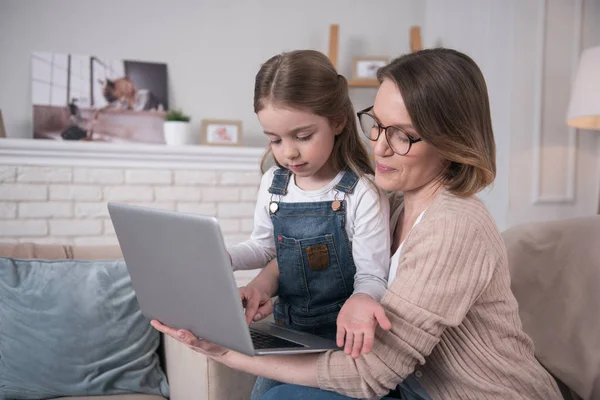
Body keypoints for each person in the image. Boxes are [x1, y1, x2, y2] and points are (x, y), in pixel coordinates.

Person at [153, 48, 563, 400]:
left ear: (451, 139)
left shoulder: (454, 225)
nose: (379, 145)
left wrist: (226, 353)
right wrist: (259, 281)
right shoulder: (396, 204)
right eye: (378, 124)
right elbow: (306, 248)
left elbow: (373, 374)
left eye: (402, 135)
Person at [225, 49, 394, 399]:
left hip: (343, 344)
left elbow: (372, 276)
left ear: (337, 121)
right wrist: (221, 259)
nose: (288, 153)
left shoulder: (361, 192)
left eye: (302, 136)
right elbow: (263, 247)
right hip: (288, 334)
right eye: (275, 139)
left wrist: (362, 300)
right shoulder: (274, 183)